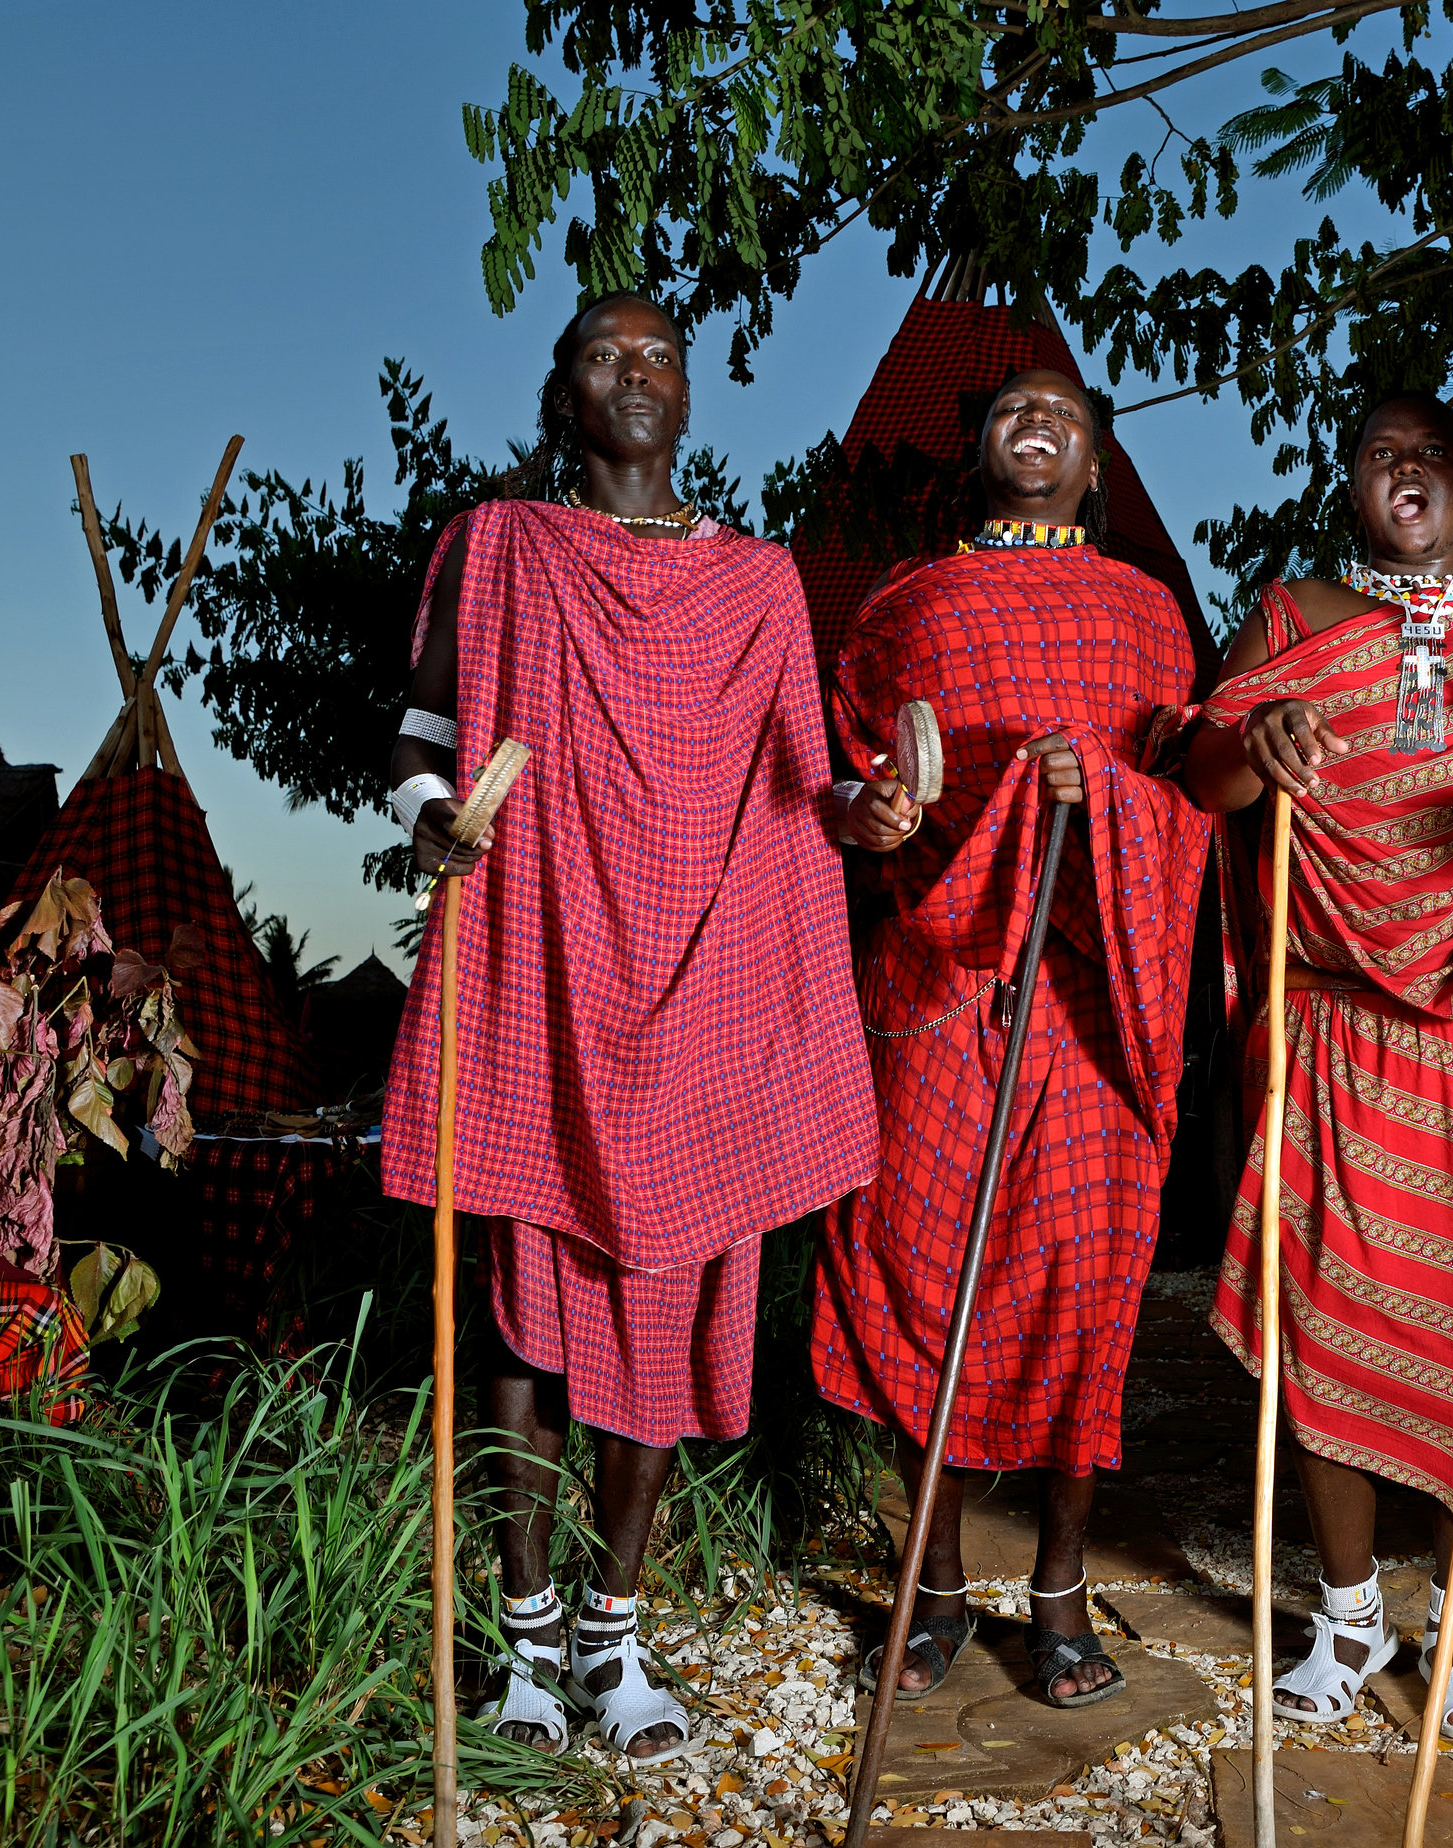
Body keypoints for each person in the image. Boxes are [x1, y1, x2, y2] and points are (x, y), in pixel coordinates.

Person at [382, 293, 878, 1763]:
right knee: (529, 1317)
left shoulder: (762, 582)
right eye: (604, 354)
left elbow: (815, 781)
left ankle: (616, 1631)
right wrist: (431, 824)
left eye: (659, 352)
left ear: (692, 389)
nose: (636, 371)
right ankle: (527, 1645)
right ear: (564, 394)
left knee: (661, 1310)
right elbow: (416, 731)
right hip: (544, 959)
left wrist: (878, 810)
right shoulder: (499, 550)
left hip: (712, 982)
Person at [1184, 394, 1453, 1741]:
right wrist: (1256, 745)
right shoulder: (1293, 614)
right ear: (1348, 484)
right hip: (1336, 1020)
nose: (1402, 474)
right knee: (1327, 1324)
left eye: (1427, 456)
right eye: (1376, 457)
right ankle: (1348, 1617)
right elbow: (1195, 764)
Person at [809, 368, 1208, 1710]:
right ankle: (929, 1584)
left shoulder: (1150, 619)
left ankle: (1058, 1588)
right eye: (1009, 409)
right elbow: (856, 787)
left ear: (1096, 465)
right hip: (940, 989)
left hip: (1096, 993)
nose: (1038, 422)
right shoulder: (898, 610)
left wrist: (1100, 798)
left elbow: (1184, 798)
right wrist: (872, 820)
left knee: (1086, 1293)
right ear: (971, 447)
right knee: (919, 1269)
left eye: (1069, 415)